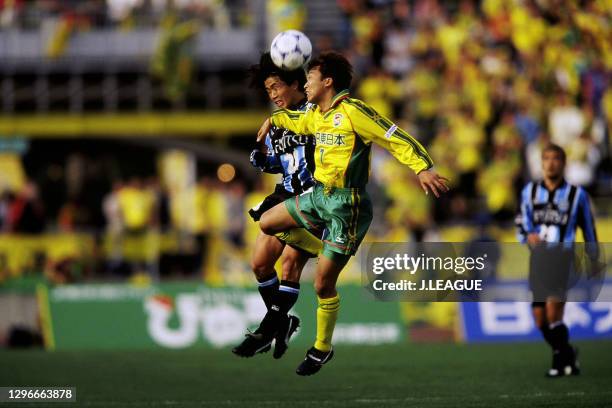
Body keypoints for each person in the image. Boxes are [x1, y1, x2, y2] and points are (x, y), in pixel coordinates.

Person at [254, 52, 449, 375]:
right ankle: (324, 249)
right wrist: (273, 119)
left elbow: (393, 136)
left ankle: (321, 348)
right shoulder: (317, 114)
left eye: (310, 79)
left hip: (348, 206)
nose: (304, 84)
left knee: (321, 285)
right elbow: (298, 121)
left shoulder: (354, 112)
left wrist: (422, 167)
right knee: (267, 221)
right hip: (318, 197)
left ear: (327, 82)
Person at [232, 53, 323, 359]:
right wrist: (264, 161)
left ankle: (267, 329)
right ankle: (283, 323)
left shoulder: (316, 111)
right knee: (259, 263)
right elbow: (284, 163)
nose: (272, 95)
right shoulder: (275, 124)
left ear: (296, 83)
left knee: (289, 265)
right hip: (285, 194)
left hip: (314, 198)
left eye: (275, 87)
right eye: (268, 90)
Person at [516, 143, 598, 377]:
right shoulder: (529, 192)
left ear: (563, 163)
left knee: (554, 312)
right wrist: (526, 236)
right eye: (546, 159)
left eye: (556, 159)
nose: (551, 163)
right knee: (540, 319)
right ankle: (567, 353)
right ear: (541, 163)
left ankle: (558, 363)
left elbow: (587, 225)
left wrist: (593, 255)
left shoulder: (577, 194)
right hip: (539, 259)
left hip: (563, 257)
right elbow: (521, 221)